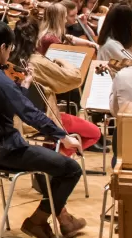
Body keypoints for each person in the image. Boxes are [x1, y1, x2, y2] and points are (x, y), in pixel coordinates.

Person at [0, 19, 85, 238]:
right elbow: (29, 114)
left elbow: (6, 102)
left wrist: (24, 85)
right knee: (70, 169)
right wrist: (62, 137)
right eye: (9, 48)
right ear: (3, 48)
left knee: (49, 163)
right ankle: (37, 221)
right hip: (4, 151)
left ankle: (65, 219)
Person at [10, 20, 101, 156]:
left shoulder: (9, 59)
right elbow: (75, 79)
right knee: (94, 133)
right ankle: (55, 160)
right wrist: (62, 61)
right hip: (42, 119)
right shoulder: (37, 61)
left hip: (17, 120)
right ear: (36, 39)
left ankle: (49, 157)